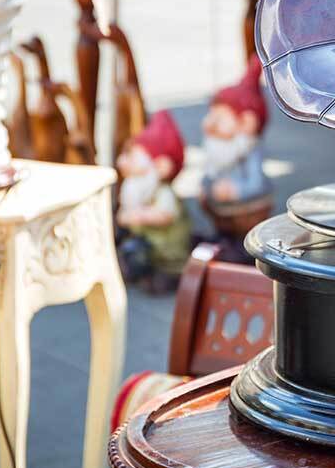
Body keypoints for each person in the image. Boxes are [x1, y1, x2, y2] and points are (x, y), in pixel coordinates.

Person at [115, 110, 193, 293]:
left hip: (166, 251)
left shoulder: (163, 193)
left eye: (131, 156)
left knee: (142, 255)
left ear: (160, 166)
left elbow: (164, 216)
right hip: (148, 243)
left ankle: (166, 275)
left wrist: (140, 215)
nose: (121, 161)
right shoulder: (137, 188)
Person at [201, 57, 272, 213]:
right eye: (212, 115)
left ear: (246, 123)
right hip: (221, 207)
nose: (211, 123)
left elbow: (256, 184)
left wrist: (235, 191)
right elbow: (210, 171)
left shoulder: (248, 148)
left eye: (219, 118)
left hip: (245, 209)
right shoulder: (219, 144)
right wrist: (206, 186)